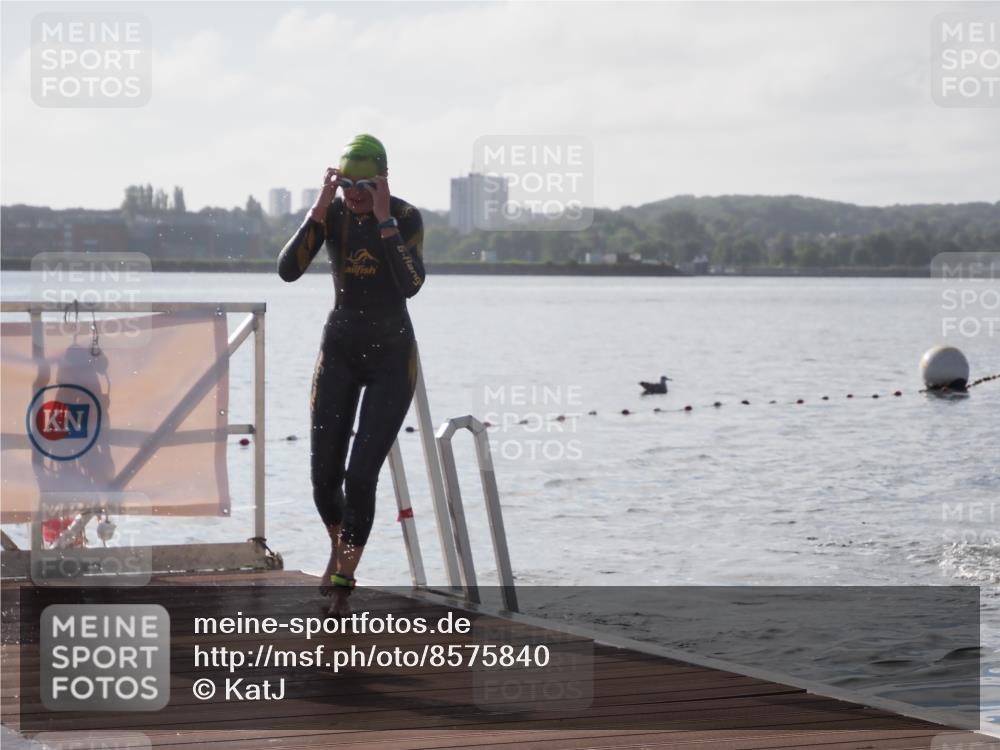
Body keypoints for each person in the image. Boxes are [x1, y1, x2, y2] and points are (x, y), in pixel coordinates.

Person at [277, 134, 425, 616]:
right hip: (339, 350)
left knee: (361, 474)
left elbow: (411, 283)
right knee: (324, 477)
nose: (355, 193)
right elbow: (288, 270)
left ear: (382, 181)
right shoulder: (333, 214)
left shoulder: (404, 217)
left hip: (391, 358)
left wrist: (384, 222)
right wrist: (318, 208)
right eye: (346, 183)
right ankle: (339, 546)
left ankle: (344, 576)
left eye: (365, 183)